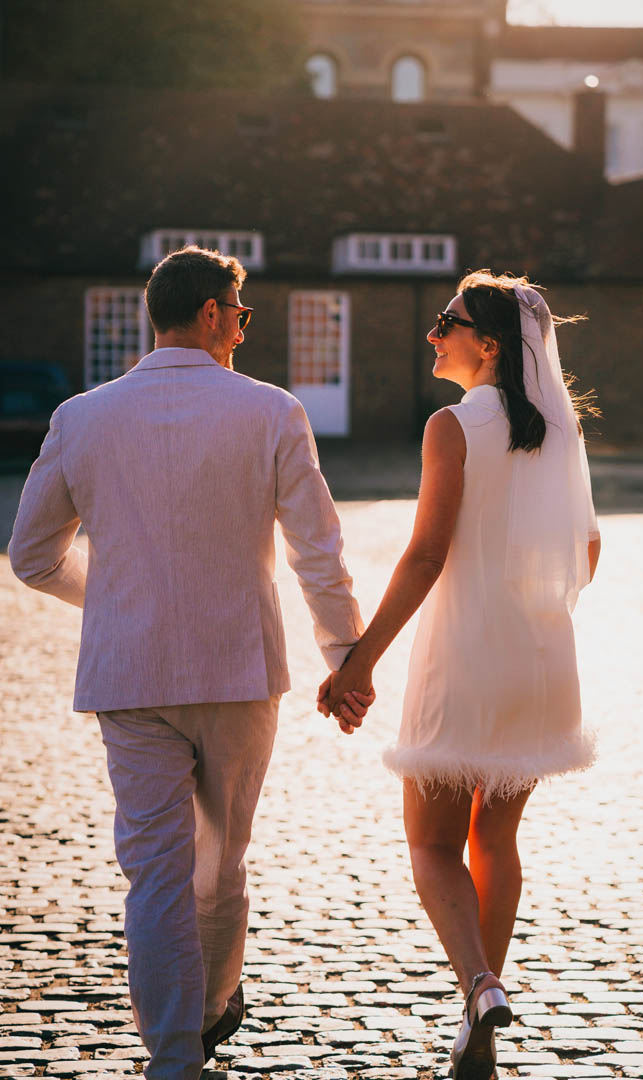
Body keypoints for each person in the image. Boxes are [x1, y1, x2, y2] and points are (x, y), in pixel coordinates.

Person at [9, 246, 371, 1080]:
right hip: (238, 670)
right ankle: (208, 1011)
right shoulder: (271, 412)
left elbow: (31, 556)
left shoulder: (83, 417)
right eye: (241, 314)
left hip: (130, 674)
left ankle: (176, 1054)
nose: (244, 330)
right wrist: (345, 656)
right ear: (210, 312)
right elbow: (318, 549)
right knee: (222, 861)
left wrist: (117, 595)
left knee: (155, 875)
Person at [319, 271, 600, 1080]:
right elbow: (587, 552)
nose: (434, 332)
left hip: (465, 658)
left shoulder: (451, 427)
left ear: (488, 344)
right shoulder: (559, 434)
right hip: (542, 660)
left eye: (449, 321)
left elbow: (428, 553)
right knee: (496, 837)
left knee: (433, 841)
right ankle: (481, 1007)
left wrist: (358, 661)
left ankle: (478, 984)